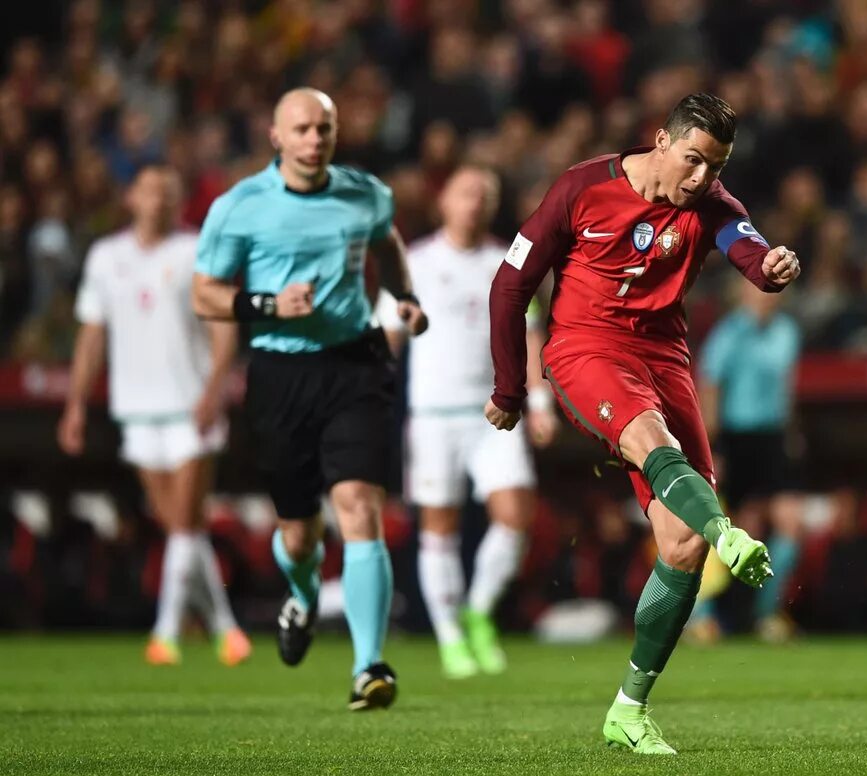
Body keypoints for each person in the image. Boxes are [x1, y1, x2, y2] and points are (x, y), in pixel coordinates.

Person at [487, 93, 801, 754]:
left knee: (680, 545)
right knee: (654, 442)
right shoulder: (581, 187)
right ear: (661, 140)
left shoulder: (716, 205)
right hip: (585, 349)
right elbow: (512, 285)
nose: (700, 178)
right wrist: (511, 389)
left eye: (713, 167)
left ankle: (629, 708)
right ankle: (726, 530)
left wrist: (771, 269)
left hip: (664, 357)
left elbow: (748, 250)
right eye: (692, 159)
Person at [191, 88, 428, 711]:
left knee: (359, 505)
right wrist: (267, 304)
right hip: (280, 372)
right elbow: (205, 293)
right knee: (299, 535)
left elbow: (388, 245)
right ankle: (301, 594)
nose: (314, 139)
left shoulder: (366, 193)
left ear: (336, 130)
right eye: (301, 129)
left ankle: (368, 667)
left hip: (355, 363)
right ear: (276, 136)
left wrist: (404, 296)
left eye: (323, 127)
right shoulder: (239, 207)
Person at [58, 163, 252, 667]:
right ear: (131, 199)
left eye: (169, 192)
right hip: (137, 409)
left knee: (187, 521)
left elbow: (223, 328)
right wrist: (76, 404)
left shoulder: (196, 252)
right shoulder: (106, 257)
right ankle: (227, 629)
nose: (159, 200)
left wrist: (214, 391)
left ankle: (165, 633)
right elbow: (91, 334)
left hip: (191, 406)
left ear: (179, 201)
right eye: (149, 191)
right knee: (180, 528)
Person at [377, 165, 558, 678]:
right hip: (433, 414)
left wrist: (539, 404)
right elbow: (387, 337)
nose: (475, 202)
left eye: (485, 194)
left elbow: (529, 338)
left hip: (494, 411)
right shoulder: (414, 262)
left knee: (516, 513)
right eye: (466, 192)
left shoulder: (509, 261)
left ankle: (478, 610)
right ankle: (451, 636)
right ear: (445, 203)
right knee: (439, 528)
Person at [696, 277, 805, 642]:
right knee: (737, 527)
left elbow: (785, 388)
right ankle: (704, 613)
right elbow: (710, 387)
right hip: (735, 438)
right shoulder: (728, 334)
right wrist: (712, 446)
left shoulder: (787, 332)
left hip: (773, 438)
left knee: (790, 522)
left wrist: (792, 434)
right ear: (743, 292)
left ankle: (767, 614)